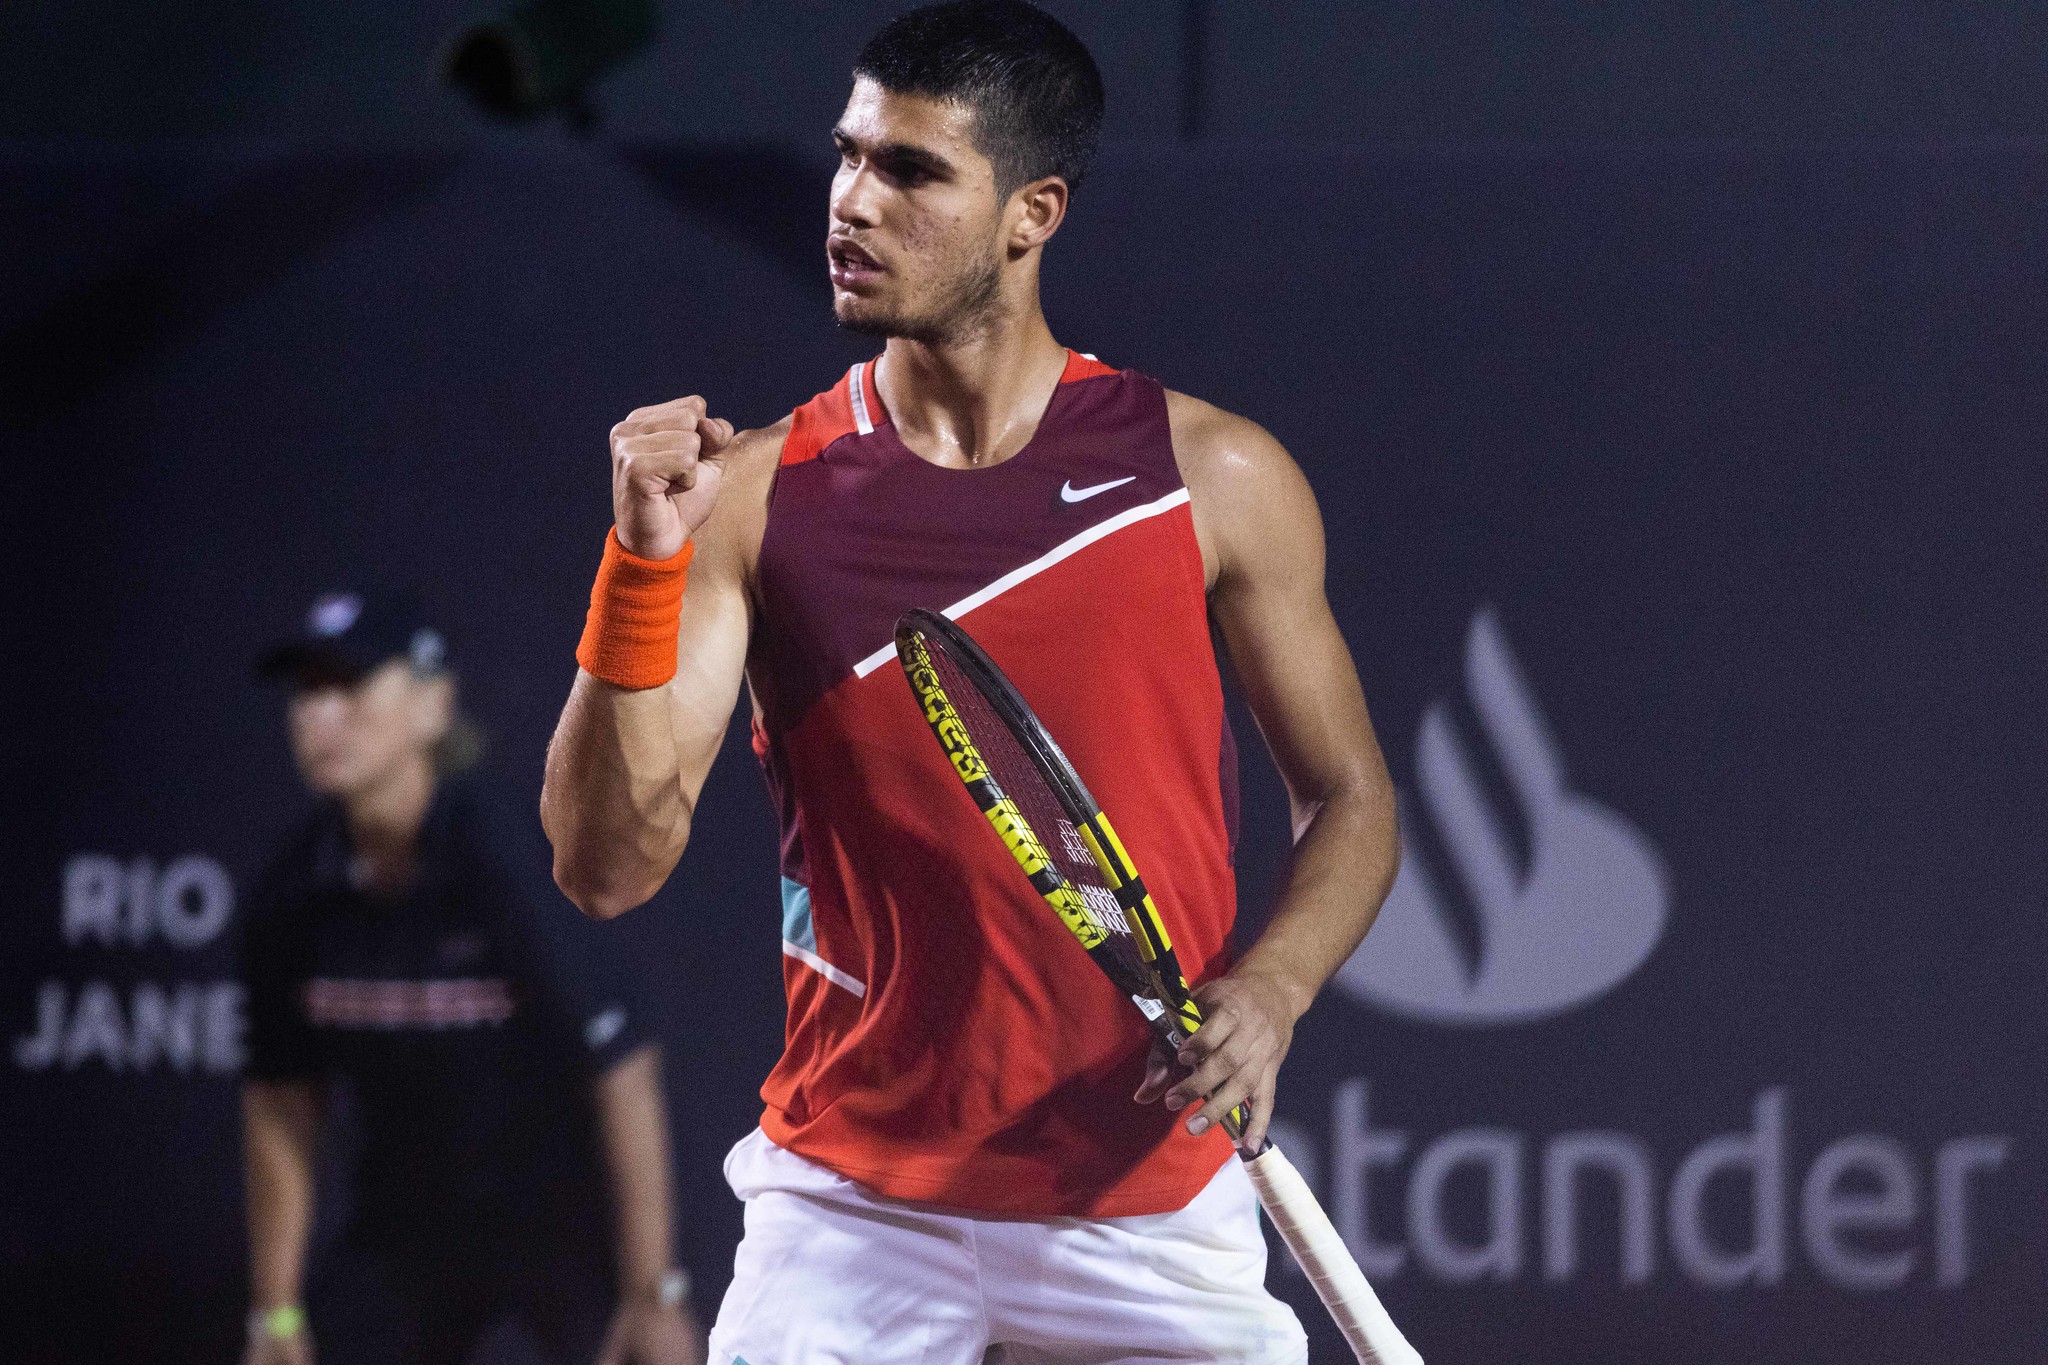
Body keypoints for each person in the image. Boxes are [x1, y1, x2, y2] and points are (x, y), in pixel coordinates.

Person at [541, 2, 1400, 1361]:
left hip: (1144, 1201)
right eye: (848, 156)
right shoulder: (756, 500)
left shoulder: (1211, 477)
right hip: (852, 1208)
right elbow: (605, 866)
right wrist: (639, 567)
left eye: (913, 171)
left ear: (1032, 212)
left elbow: (1352, 798)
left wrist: (1275, 990)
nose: (851, 203)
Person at [239, 589, 705, 1365]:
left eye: (348, 685)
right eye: (306, 691)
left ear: (432, 705)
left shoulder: (511, 859)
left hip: (556, 1241)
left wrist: (653, 1290)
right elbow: (281, 1101)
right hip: (400, 1240)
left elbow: (622, 1065)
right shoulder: (290, 892)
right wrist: (275, 1313)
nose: (319, 714)